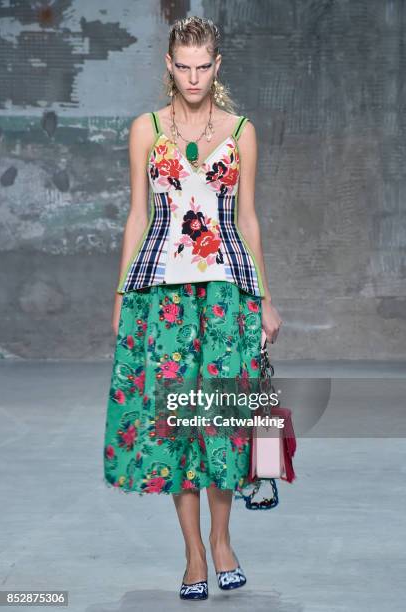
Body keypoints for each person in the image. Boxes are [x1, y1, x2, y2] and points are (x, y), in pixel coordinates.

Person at [103, 16, 282, 601]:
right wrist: (122, 293)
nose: (194, 76)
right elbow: (139, 216)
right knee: (176, 423)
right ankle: (194, 552)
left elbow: (247, 218)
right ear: (169, 66)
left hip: (228, 291)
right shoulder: (146, 129)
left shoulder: (241, 131)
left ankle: (224, 539)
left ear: (218, 65)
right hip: (161, 293)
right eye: (183, 65)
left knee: (224, 419)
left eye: (204, 65)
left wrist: (266, 299)